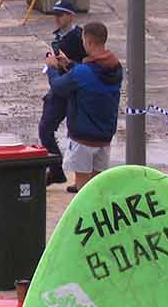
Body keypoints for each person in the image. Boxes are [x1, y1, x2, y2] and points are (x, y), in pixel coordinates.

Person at [45, 21, 122, 193]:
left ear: (89, 42)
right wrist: (69, 64)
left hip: (83, 138)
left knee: (82, 192)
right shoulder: (115, 66)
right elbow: (90, 76)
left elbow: (58, 87)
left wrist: (52, 68)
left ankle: (84, 219)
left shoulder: (83, 73)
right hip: (104, 136)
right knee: (96, 187)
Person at [40, 0, 88, 185]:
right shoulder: (59, 36)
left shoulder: (80, 37)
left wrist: (55, 66)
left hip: (71, 89)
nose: (56, 19)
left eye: (60, 15)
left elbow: (85, 66)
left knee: (77, 135)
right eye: (55, 15)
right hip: (60, 89)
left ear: (70, 16)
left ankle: (80, 181)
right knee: (45, 129)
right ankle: (56, 169)